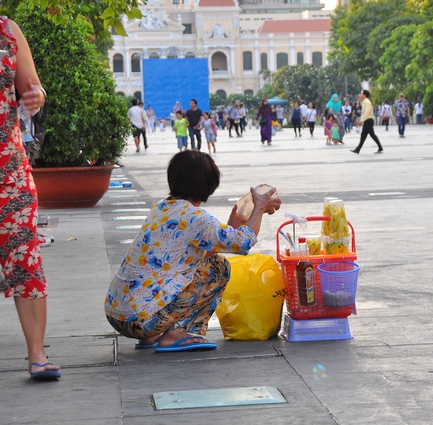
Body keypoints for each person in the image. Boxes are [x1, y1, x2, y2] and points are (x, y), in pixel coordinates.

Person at [105, 150, 282, 353]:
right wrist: (258, 207)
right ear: (208, 187)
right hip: (145, 320)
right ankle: (178, 333)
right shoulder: (196, 218)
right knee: (218, 266)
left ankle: (153, 336)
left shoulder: (161, 208)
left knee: (206, 260)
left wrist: (236, 220)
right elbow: (243, 243)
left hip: (118, 315)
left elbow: (204, 250)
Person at [0, 17, 61, 380]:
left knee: (25, 256)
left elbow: (33, 89)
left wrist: (37, 96)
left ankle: (37, 355)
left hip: (9, 169)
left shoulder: (7, 29)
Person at [350, 90, 383, 154]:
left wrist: (361, 120)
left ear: (364, 95)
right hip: (367, 120)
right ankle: (358, 149)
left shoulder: (367, 102)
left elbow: (367, 112)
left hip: (368, 121)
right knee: (364, 135)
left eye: (361, 93)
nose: (360, 94)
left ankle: (380, 147)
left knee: (371, 135)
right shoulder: (364, 102)